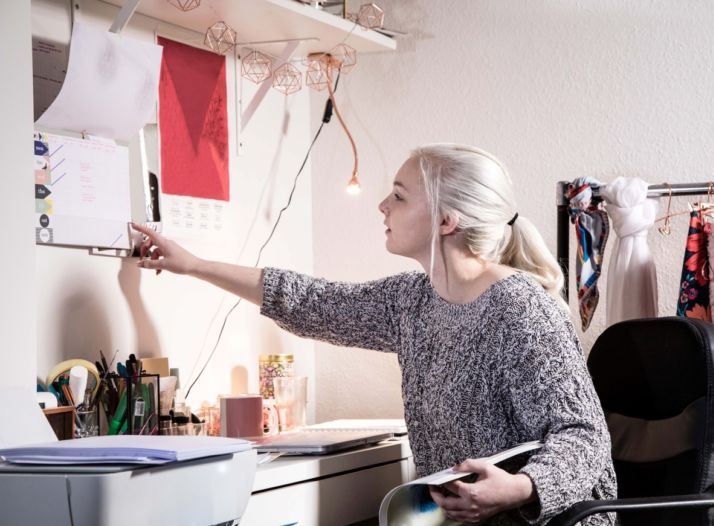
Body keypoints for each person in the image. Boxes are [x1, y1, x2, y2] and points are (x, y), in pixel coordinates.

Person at [133, 143, 616, 525]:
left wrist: (519, 488)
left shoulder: (522, 310)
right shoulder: (414, 299)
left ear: (447, 220)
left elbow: (586, 437)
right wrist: (192, 265)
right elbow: (313, 302)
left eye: (400, 196)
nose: (383, 205)